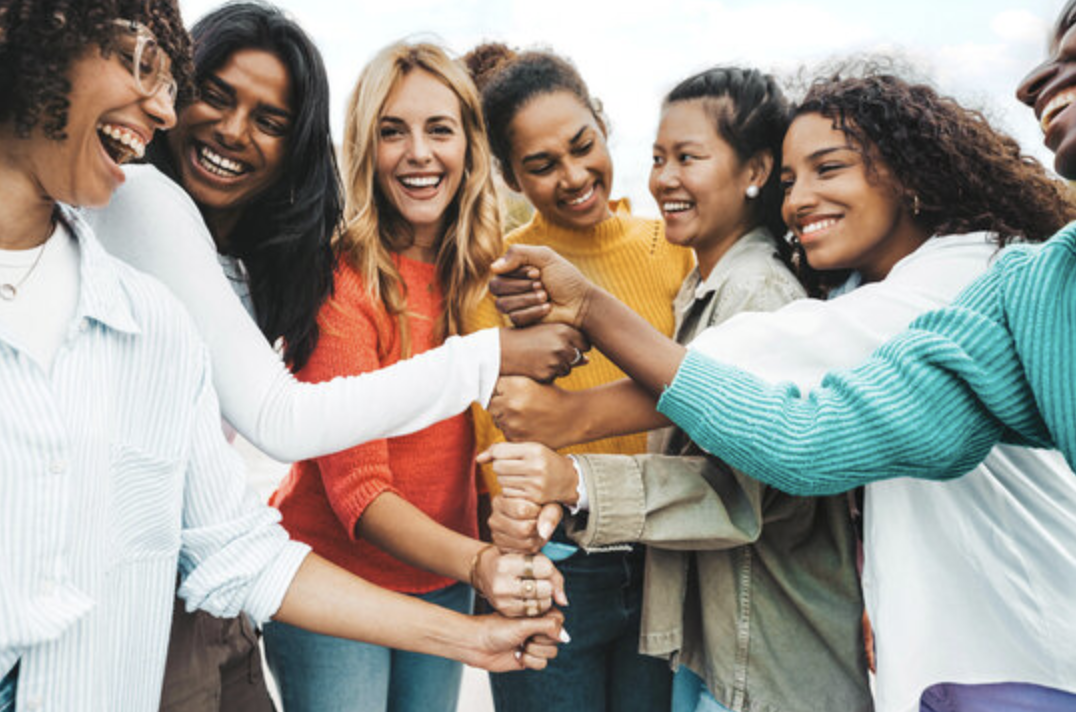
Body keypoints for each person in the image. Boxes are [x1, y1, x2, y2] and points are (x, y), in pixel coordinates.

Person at [0, 3, 564, 710]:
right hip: (188, 615)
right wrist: (492, 357)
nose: (165, 111)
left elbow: (236, 549)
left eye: (271, 121)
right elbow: (293, 428)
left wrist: (474, 625)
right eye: (143, 65)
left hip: (188, 613)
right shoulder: (148, 209)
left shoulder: (159, 311)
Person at [487, 70, 1076, 712]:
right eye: (793, 180)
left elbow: (766, 398)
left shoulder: (952, 283)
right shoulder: (860, 291)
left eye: (830, 168)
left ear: (910, 171)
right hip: (956, 655)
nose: (798, 199)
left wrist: (574, 417)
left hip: (1022, 649)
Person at [486, 66, 874, 712]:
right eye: (659, 157)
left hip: (766, 662)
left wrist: (573, 477)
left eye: (687, 158)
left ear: (753, 172)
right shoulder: (703, 281)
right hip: (723, 647)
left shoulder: (756, 290)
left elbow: (726, 490)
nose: (663, 177)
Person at [258, 41, 570, 712]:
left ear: (470, 145)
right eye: (392, 132)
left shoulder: (493, 276)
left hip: (442, 575)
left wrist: (514, 524)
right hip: (334, 579)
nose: (418, 153)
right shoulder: (339, 281)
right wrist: (479, 562)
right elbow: (359, 496)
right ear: (364, 149)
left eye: (439, 129)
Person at [466, 46, 695, 712]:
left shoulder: (676, 252)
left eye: (581, 145)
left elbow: (714, 391)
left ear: (601, 123)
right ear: (510, 176)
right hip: (557, 563)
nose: (572, 175)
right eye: (541, 165)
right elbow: (499, 444)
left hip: (669, 552)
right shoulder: (501, 285)